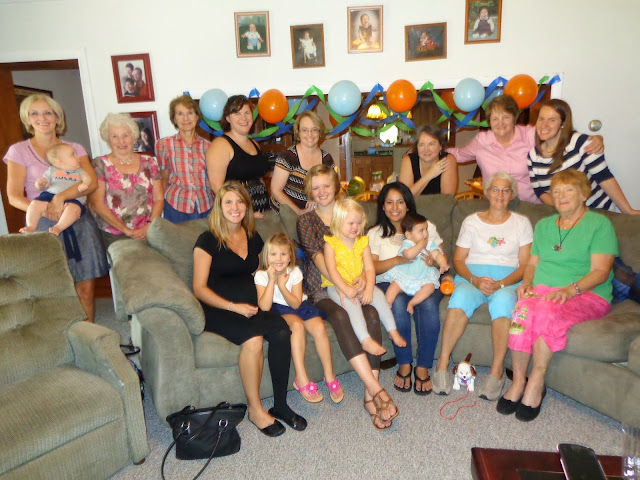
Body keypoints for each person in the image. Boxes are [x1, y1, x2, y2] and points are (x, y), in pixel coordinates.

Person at [500, 169, 617, 421]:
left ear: (584, 194)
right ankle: (518, 380)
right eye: (556, 191)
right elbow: (532, 264)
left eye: (568, 190)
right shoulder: (544, 225)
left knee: (545, 309)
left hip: (585, 294)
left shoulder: (599, 225)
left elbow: (601, 271)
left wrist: (570, 290)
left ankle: (536, 380)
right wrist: (526, 284)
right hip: (543, 291)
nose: (561, 196)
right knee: (522, 310)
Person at [193, 182, 306, 436]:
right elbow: (198, 288)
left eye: (240, 202)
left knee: (281, 330)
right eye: (228, 202)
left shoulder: (253, 236)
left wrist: (283, 281)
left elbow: (266, 268)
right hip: (219, 308)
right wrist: (233, 306)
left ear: (247, 206)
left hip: (252, 306)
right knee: (254, 340)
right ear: (219, 206)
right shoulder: (207, 240)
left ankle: (280, 405)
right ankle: (255, 410)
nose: (235, 207)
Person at [297, 164, 399, 430]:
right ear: (310, 191)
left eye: (326, 185)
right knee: (341, 315)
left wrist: (365, 278)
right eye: (315, 187)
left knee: (372, 313)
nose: (321, 192)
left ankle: (368, 396)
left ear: (336, 186)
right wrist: (343, 288)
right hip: (322, 287)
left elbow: (364, 255)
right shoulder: (306, 221)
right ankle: (377, 390)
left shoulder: (351, 214)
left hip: (355, 282)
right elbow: (320, 260)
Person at [4, 94, 108, 323]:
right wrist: (44, 209)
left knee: (85, 287)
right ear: (27, 119)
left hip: (77, 219)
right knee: (50, 289)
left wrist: (60, 198)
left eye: (47, 112)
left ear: (57, 117)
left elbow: (90, 184)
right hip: (41, 223)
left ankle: (89, 337)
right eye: (35, 113)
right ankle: (58, 338)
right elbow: (13, 196)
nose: (42, 118)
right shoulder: (18, 151)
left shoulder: (75, 148)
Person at [432, 172, 533, 401]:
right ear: (487, 192)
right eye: (495, 189)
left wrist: (502, 283)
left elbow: (526, 264)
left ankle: (497, 371)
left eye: (505, 190)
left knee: (505, 302)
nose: (500, 194)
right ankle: (442, 364)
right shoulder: (472, 221)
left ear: (512, 194)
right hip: (472, 278)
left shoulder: (522, 223)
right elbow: (458, 260)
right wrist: (474, 280)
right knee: (460, 298)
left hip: (508, 281)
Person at [448, 95, 604, 203]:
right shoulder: (482, 141)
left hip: (530, 206)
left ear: (514, 118)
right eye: (495, 118)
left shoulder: (530, 134)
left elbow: (558, 136)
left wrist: (593, 139)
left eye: (506, 117)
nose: (500, 123)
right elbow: (458, 154)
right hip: (497, 205)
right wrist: (435, 148)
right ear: (489, 122)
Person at [368, 182, 445, 395]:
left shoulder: (425, 226)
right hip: (391, 280)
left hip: (424, 279)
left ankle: (423, 366)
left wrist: (433, 262)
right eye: (389, 202)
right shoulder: (375, 233)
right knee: (398, 304)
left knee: (428, 306)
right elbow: (372, 267)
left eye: (400, 202)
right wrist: (398, 260)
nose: (395, 207)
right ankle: (404, 363)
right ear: (383, 207)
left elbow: (441, 256)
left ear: (408, 204)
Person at [255, 233, 343, 404]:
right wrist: (272, 281)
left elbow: (296, 304)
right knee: (296, 326)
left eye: (283, 254)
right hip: (277, 308)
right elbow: (264, 307)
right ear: (266, 256)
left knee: (319, 328)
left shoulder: (294, 272)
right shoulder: (261, 275)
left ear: (290, 257)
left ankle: (329, 375)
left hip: (297, 303)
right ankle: (301, 378)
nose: (278, 259)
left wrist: (283, 286)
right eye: (273, 254)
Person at [323, 197, 407, 356]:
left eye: (359, 222)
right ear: (338, 222)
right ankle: (365, 339)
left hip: (359, 283)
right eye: (350, 223)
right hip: (336, 286)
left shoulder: (363, 243)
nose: (355, 227)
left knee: (379, 295)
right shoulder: (331, 244)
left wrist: (369, 289)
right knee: (352, 303)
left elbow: (369, 269)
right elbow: (332, 271)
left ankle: (392, 330)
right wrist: (345, 289)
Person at [528, 99, 640, 214]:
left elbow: (604, 177)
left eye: (552, 120)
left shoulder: (579, 143)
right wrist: (566, 211)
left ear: (563, 124)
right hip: (566, 215)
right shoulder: (533, 156)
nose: (544, 125)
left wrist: (627, 210)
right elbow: (540, 192)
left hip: (600, 212)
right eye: (541, 119)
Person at [90, 113, 163, 248]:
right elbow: (97, 204)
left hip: (148, 231)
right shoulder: (100, 164)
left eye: (125, 135)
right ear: (108, 139)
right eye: (115, 136)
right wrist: (126, 230)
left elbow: (158, 198)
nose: (121, 141)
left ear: (133, 137)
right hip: (115, 235)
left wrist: (148, 226)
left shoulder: (149, 162)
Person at [206, 95, 270, 217]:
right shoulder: (220, 145)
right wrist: (244, 212)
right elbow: (216, 186)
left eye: (247, 112)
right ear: (228, 118)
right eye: (237, 113)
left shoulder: (255, 144)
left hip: (261, 212)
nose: (243, 118)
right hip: (236, 215)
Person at [156, 95, 213, 223]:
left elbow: (212, 179)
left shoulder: (209, 146)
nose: (186, 118)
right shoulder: (164, 144)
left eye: (190, 113)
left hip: (206, 205)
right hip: (176, 206)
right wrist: (160, 206)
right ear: (174, 119)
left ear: (197, 117)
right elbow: (163, 177)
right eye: (180, 114)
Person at [381, 212, 449, 314]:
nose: (426, 233)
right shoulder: (407, 243)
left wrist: (443, 264)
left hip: (424, 277)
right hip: (405, 275)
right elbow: (408, 255)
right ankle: (387, 303)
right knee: (395, 285)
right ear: (408, 235)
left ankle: (412, 303)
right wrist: (421, 245)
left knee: (430, 287)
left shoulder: (430, 244)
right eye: (421, 231)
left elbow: (438, 255)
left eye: (426, 229)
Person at [269, 111, 334, 215]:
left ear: (320, 132)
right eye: (305, 130)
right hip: (284, 214)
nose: (310, 134)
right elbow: (276, 191)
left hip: (314, 213)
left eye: (314, 129)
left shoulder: (327, 159)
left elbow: (332, 188)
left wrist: (317, 200)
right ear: (298, 133)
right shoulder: (287, 157)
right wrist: (299, 212)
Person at [21, 143, 91, 236]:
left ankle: (59, 227)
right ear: (59, 161)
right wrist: (40, 184)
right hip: (50, 195)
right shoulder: (51, 170)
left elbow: (88, 178)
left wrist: (85, 184)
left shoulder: (79, 171)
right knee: (34, 204)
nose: (78, 157)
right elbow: (43, 186)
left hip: (73, 198)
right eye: (73, 155)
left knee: (74, 210)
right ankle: (32, 226)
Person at [398, 125, 458, 196]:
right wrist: (430, 174)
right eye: (421, 145)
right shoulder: (408, 160)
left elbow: (447, 198)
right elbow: (403, 197)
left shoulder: (448, 159)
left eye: (431, 144)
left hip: (439, 203)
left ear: (440, 146)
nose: (426, 150)